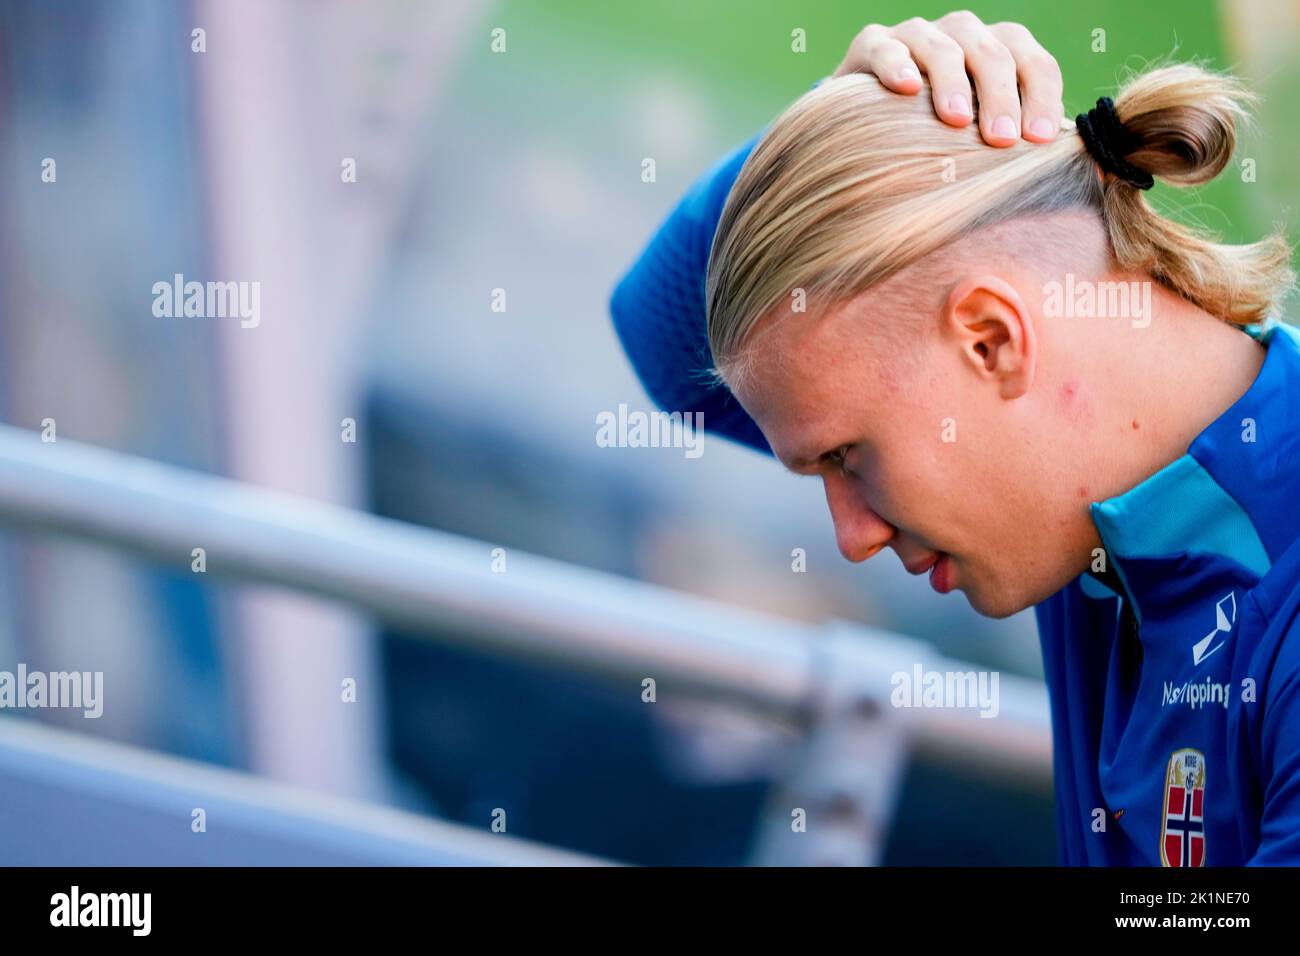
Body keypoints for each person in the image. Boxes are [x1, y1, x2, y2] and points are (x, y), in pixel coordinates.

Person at [608, 14, 1300, 866]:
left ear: (992, 341)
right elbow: (670, 344)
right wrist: (835, 127)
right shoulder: (1086, 502)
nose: (852, 537)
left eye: (848, 458)